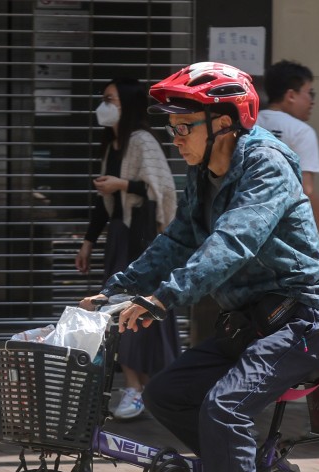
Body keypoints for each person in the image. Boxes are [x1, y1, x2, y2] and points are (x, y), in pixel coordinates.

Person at [80, 62, 319, 472]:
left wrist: (160, 300)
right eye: (172, 127)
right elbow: (179, 240)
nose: (175, 137)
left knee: (224, 406)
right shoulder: (203, 173)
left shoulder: (265, 165)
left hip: (301, 321)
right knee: (165, 394)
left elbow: (233, 243)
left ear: (224, 122)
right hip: (250, 322)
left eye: (184, 126)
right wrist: (118, 287)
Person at [75, 78, 180, 420]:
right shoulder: (112, 145)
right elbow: (103, 203)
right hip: (120, 237)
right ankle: (136, 387)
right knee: (118, 310)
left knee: (138, 311)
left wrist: (122, 184)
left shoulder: (142, 140)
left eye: (110, 99)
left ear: (128, 104)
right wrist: (88, 242)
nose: (104, 106)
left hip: (143, 239)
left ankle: (143, 389)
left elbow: (160, 189)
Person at [257, 60, 319, 258]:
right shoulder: (301, 132)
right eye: (309, 93)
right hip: (285, 239)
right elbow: (307, 190)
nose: (312, 101)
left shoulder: (249, 124)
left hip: (243, 230)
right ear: (291, 95)